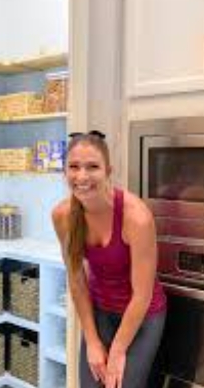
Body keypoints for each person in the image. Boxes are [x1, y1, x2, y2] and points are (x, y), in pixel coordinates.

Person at [52, 130, 167, 388]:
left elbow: (142, 295)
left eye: (92, 166)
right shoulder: (62, 216)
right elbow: (77, 280)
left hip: (143, 317)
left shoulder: (136, 217)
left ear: (108, 170)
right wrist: (92, 342)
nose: (81, 176)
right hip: (101, 312)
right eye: (73, 167)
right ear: (65, 171)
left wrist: (116, 351)